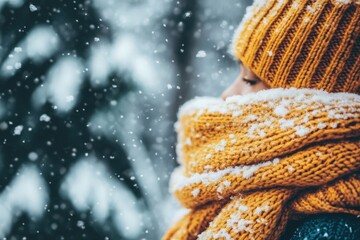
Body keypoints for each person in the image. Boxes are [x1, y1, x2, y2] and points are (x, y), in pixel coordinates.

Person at [164, 0, 360, 239]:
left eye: (250, 80)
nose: (227, 94)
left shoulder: (330, 230)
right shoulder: (236, 194)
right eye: (240, 71)